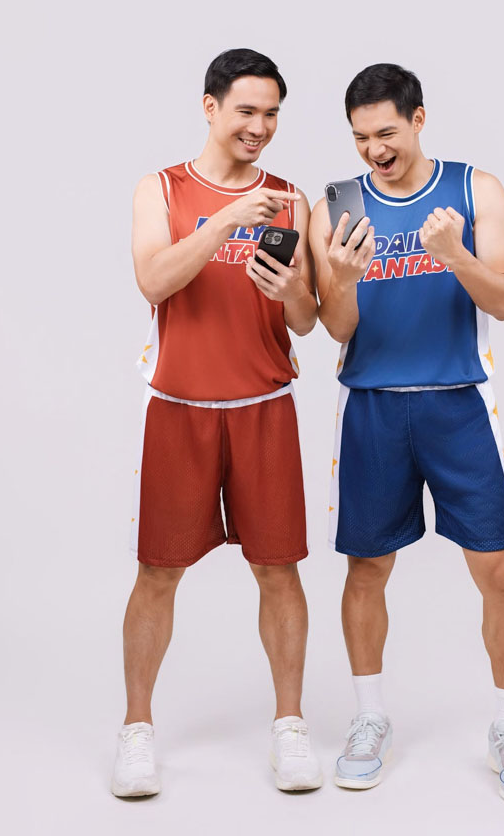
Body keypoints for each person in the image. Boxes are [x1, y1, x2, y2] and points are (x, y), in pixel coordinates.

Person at [308, 63, 504, 806]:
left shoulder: (476, 190)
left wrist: (456, 255)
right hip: (373, 406)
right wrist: (342, 278)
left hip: (458, 403)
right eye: (360, 138)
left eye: (386, 132)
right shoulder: (338, 206)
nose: (374, 150)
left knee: (499, 571)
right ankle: (369, 718)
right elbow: (335, 328)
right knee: (366, 569)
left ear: (418, 118)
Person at [112, 49, 322, 797]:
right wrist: (227, 218)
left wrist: (293, 288)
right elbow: (154, 279)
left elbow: (307, 320)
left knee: (279, 569)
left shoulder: (292, 200)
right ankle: (136, 729)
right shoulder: (160, 188)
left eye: (271, 114)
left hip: (264, 408)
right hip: (181, 409)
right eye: (246, 111)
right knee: (157, 572)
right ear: (210, 108)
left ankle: (290, 726)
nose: (259, 127)